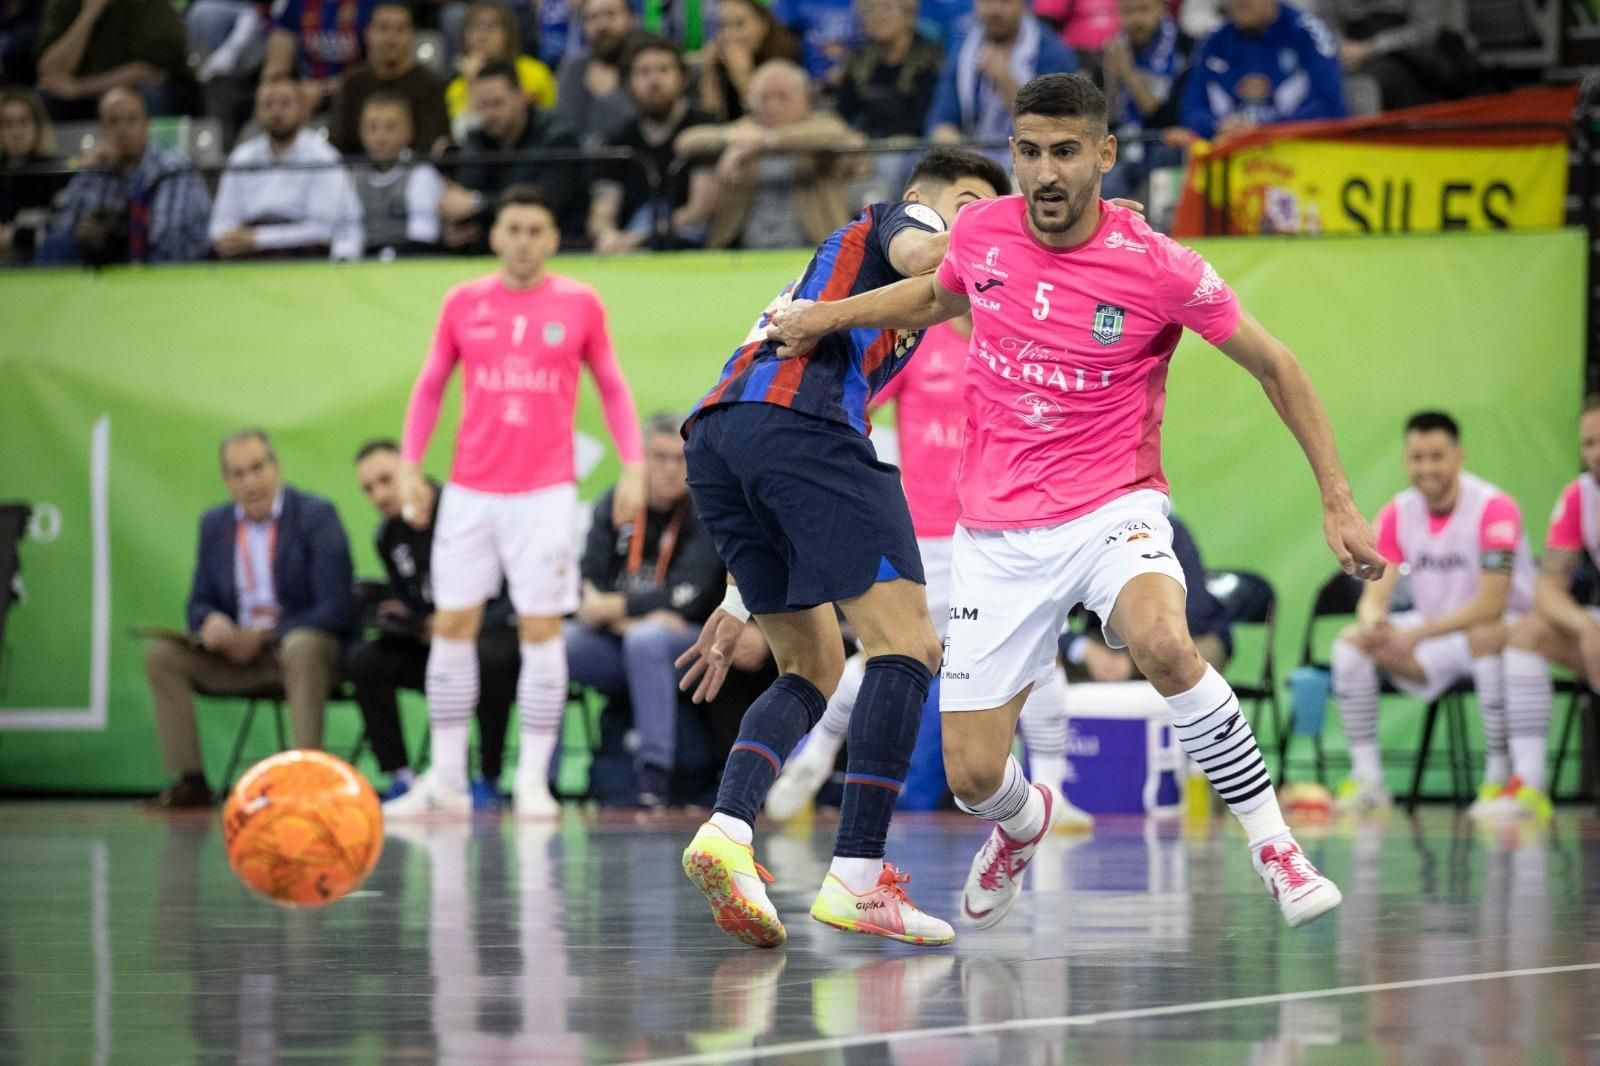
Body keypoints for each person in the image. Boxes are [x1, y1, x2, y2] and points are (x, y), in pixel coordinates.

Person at [769, 73, 1384, 930]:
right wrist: (822, 318)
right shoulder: (982, 230)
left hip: (1111, 510)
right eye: (1028, 152)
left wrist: (1339, 503)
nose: (1045, 172)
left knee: (1165, 640)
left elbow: (1278, 365)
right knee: (975, 776)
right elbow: (935, 295)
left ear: (1104, 153)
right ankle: (1024, 827)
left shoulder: (1161, 268)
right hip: (995, 532)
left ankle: (1275, 846)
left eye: (1064, 152)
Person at [672, 145, 1011, 949]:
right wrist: (1028, 224)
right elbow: (933, 254)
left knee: (816, 665)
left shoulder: (870, 294)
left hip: (722, 439)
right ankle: (859, 876)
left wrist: (735, 597)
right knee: (910, 646)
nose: (978, 222)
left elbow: (761, 431)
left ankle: (726, 827)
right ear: (927, 196)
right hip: (802, 430)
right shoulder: (906, 221)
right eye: (972, 202)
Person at [764, 313, 1095, 831]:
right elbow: (856, 404)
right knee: (891, 648)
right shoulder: (919, 342)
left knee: (1039, 651)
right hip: (929, 534)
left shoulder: (1021, 345)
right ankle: (814, 758)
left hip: (1004, 530)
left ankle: (1053, 790)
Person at [386, 184, 646, 820]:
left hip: (545, 495)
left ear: (553, 238)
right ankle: (445, 781)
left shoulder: (580, 303)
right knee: (452, 625)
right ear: (495, 234)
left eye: (536, 229)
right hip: (471, 490)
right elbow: (429, 387)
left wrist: (634, 466)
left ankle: (533, 780)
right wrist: (408, 466)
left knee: (539, 630)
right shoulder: (463, 302)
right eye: (513, 228)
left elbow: (611, 387)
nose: (524, 241)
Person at [1330, 412, 1533, 816]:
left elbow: (1491, 605)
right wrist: (1376, 624)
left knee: (1484, 633)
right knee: (1351, 643)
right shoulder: (1396, 513)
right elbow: (1373, 596)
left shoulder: (1494, 508)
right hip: (1434, 634)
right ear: (1406, 460)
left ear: (1458, 457)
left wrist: (1416, 635)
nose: (1426, 468)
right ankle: (1368, 781)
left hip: (1503, 633)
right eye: (1417, 457)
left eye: (1436, 456)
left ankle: (1498, 780)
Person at [143, 429, 357, 809]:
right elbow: (198, 603)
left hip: (298, 656)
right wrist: (211, 622)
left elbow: (336, 607)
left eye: (257, 468)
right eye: (237, 473)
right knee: (162, 654)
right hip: (235, 659)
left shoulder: (314, 516)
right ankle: (191, 783)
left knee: (303, 644)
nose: (250, 481)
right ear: (226, 480)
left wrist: (264, 636)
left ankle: (305, 777)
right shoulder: (215, 524)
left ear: (276, 466)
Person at [566, 413, 727, 808]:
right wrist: (626, 614)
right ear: (642, 459)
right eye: (660, 457)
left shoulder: (703, 506)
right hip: (618, 639)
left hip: (687, 642)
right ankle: (537, 779)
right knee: (556, 648)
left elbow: (688, 595)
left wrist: (615, 611)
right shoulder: (616, 502)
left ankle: (655, 774)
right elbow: (588, 582)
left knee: (648, 639)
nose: (671, 469)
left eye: (680, 459)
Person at [346, 439, 517, 809]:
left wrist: (461, 623)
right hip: (434, 644)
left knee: (491, 656)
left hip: (485, 635)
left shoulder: (463, 510)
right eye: (368, 488)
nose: (379, 494)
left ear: (411, 472)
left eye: (386, 480)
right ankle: (402, 778)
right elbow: (413, 599)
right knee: (365, 660)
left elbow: (509, 592)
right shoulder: (388, 535)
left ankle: (487, 779)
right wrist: (406, 619)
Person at [1498, 397, 1600, 821]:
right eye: (1589, 443)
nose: (1595, 453)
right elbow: (1547, 589)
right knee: (1526, 632)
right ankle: (1529, 785)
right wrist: (1583, 626)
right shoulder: (1581, 495)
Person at [674, 59, 864, 250]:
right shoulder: (744, 131)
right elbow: (687, 141)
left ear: (805, 99)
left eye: (783, 97)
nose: (772, 105)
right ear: (750, 101)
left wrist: (765, 141)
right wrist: (729, 139)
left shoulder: (823, 125)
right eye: (764, 98)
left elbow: (836, 135)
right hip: (743, 251)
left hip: (814, 249)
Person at [34, 86, 210, 264]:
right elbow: (62, 229)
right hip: (100, 271)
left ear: (147, 124)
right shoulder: (94, 171)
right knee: (56, 245)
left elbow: (170, 240)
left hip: (160, 269)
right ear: (102, 129)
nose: (123, 130)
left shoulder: (173, 168)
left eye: (132, 120)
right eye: (114, 122)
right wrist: (91, 170)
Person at [210, 75, 364, 259]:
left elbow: (323, 231)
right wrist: (228, 238)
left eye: (285, 104)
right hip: (247, 250)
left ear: (303, 110)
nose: (276, 112)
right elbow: (221, 221)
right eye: (268, 105)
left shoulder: (323, 157)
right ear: (257, 113)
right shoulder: (241, 158)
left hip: (302, 253)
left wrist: (259, 239)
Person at [588, 35, 716, 254]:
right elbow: (602, 212)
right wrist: (607, 235)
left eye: (664, 70)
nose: (654, 81)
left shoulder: (703, 128)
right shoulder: (618, 139)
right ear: (628, 83)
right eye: (644, 72)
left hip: (690, 243)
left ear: (683, 78)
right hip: (631, 244)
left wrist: (644, 236)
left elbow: (700, 209)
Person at [438, 60, 583, 247]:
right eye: (482, 106)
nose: (489, 114)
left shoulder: (558, 139)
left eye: (497, 104)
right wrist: (456, 229)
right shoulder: (477, 139)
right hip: (495, 250)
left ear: (521, 96)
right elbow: (465, 195)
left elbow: (546, 203)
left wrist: (477, 204)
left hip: (559, 249)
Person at [925, 0, 1077, 154]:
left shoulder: (1051, 52)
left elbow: (1053, 126)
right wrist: (965, 154)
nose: (994, 10)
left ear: (1024, 5)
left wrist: (1004, 78)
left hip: (1036, 158)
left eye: (1005, 2)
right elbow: (941, 122)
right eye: (987, 2)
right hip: (973, 158)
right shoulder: (963, 49)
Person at [1178, 0, 1345, 140]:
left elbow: (1329, 106)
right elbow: (1192, 109)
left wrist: (1261, 130)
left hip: (1300, 154)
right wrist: (1219, 127)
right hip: (1234, 157)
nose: (1239, 3)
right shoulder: (1213, 42)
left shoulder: (1308, 32)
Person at [34, 0, 197, 119]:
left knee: (151, 94)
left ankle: (153, 158)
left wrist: (78, 89)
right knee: (42, 100)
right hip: (86, 99)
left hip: (138, 91)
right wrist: (88, 15)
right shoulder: (63, 5)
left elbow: (149, 71)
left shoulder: (147, 5)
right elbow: (50, 71)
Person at [328, 0, 450, 156]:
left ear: (413, 35)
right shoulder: (352, 83)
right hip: (357, 174)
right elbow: (338, 144)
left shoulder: (432, 85)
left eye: (400, 29)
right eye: (383, 28)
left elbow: (434, 145)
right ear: (368, 32)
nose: (391, 38)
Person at [1099, 0, 1191, 202]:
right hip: (1124, 147)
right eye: (1128, 12)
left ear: (1161, 9)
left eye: (1143, 10)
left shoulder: (1184, 48)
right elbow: (1106, 119)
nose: (1136, 20)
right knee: (1107, 173)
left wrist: (1128, 73)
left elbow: (1167, 118)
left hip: (1167, 148)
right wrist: (1113, 79)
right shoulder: (1112, 50)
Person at [1319, 0, 1481, 109]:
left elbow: (1424, 32)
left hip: (1407, 55)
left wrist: (1369, 49)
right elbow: (1326, 25)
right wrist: (1342, 49)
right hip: (1351, 52)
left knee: (1369, 85)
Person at [444, 2, 557, 144]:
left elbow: (551, 123)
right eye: (472, 28)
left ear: (509, 32)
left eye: (490, 26)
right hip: (487, 158)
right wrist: (471, 82)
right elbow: (464, 139)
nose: (480, 36)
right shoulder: (457, 87)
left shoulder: (535, 72)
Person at [349, 91, 443, 255]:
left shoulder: (421, 174)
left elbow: (424, 236)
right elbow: (348, 233)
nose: (380, 137)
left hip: (408, 265)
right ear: (360, 132)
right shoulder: (354, 176)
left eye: (390, 127)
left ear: (409, 132)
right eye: (371, 127)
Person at [834, 0, 945, 139]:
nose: (877, 16)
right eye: (869, 10)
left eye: (887, 7)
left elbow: (923, 118)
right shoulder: (859, 56)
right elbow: (844, 110)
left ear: (909, 14)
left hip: (912, 142)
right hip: (863, 142)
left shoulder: (930, 57)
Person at [262, 0, 379, 113]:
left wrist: (326, 89)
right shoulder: (295, 3)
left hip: (357, 92)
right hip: (305, 91)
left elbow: (379, 66)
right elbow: (276, 65)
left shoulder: (371, 4)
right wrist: (283, 88)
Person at [694, 0, 800, 123]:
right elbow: (709, 122)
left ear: (763, 25)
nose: (729, 35)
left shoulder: (787, 57)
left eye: (739, 24)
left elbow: (772, 119)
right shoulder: (722, 61)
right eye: (721, 26)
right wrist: (710, 75)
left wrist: (743, 76)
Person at [551, 0, 637, 147]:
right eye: (593, 17)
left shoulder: (644, 64)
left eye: (611, 15)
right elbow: (566, 131)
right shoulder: (574, 69)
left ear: (631, 19)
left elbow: (644, 130)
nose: (602, 25)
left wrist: (608, 96)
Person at [1, 87, 68, 264]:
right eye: (7, 123)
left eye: (24, 122)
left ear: (37, 127)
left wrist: (14, 236)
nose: (16, 131)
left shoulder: (56, 175)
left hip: (39, 266)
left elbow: (61, 234)